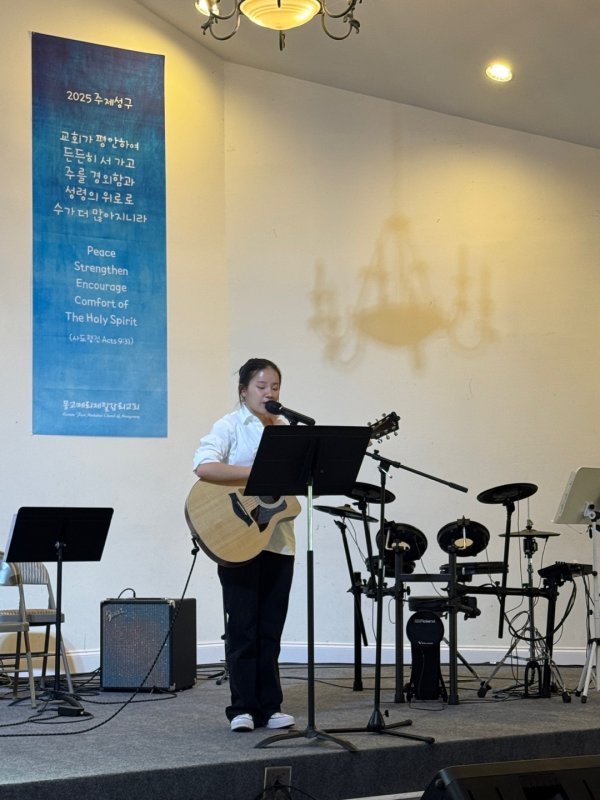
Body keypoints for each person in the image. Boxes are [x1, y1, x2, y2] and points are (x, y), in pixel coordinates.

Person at [192, 358, 296, 732]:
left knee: (270, 628)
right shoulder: (230, 425)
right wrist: (257, 473)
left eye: (275, 387)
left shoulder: (286, 431)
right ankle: (242, 708)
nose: (269, 393)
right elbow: (204, 466)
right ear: (243, 391)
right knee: (243, 627)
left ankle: (270, 706)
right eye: (261, 386)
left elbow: (293, 495)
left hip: (278, 541)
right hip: (238, 539)